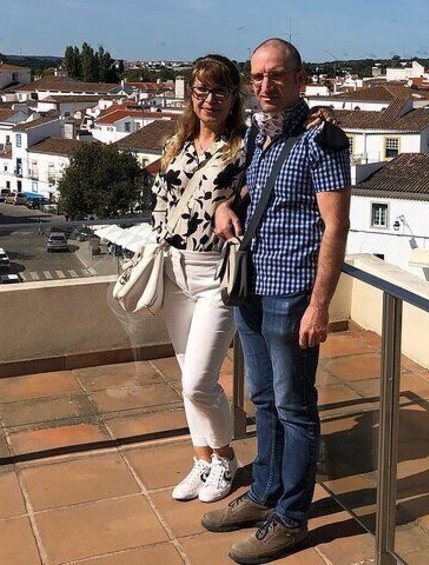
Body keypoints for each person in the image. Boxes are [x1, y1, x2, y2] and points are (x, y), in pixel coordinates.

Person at [202, 38, 351, 564]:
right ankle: (263, 493)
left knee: (295, 408)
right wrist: (224, 207)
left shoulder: (323, 141)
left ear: (299, 79)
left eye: (277, 76)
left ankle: (291, 518)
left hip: (292, 294)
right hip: (252, 288)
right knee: (263, 401)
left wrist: (319, 304)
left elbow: (336, 226)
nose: (266, 86)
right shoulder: (255, 134)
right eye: (258, 77)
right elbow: (244, 191)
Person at [151, 54, 247, 504]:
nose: (209, 99)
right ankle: (202, 460)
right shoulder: (178, 141)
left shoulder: (246, 146)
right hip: (173, 271)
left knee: (198, 382)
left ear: (233, 98)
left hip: (215, 273)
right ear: (191, 94)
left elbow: (264, 186)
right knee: (186, 376)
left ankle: (226, 457)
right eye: (201, 90)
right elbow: (161, 201)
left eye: (220, 91)